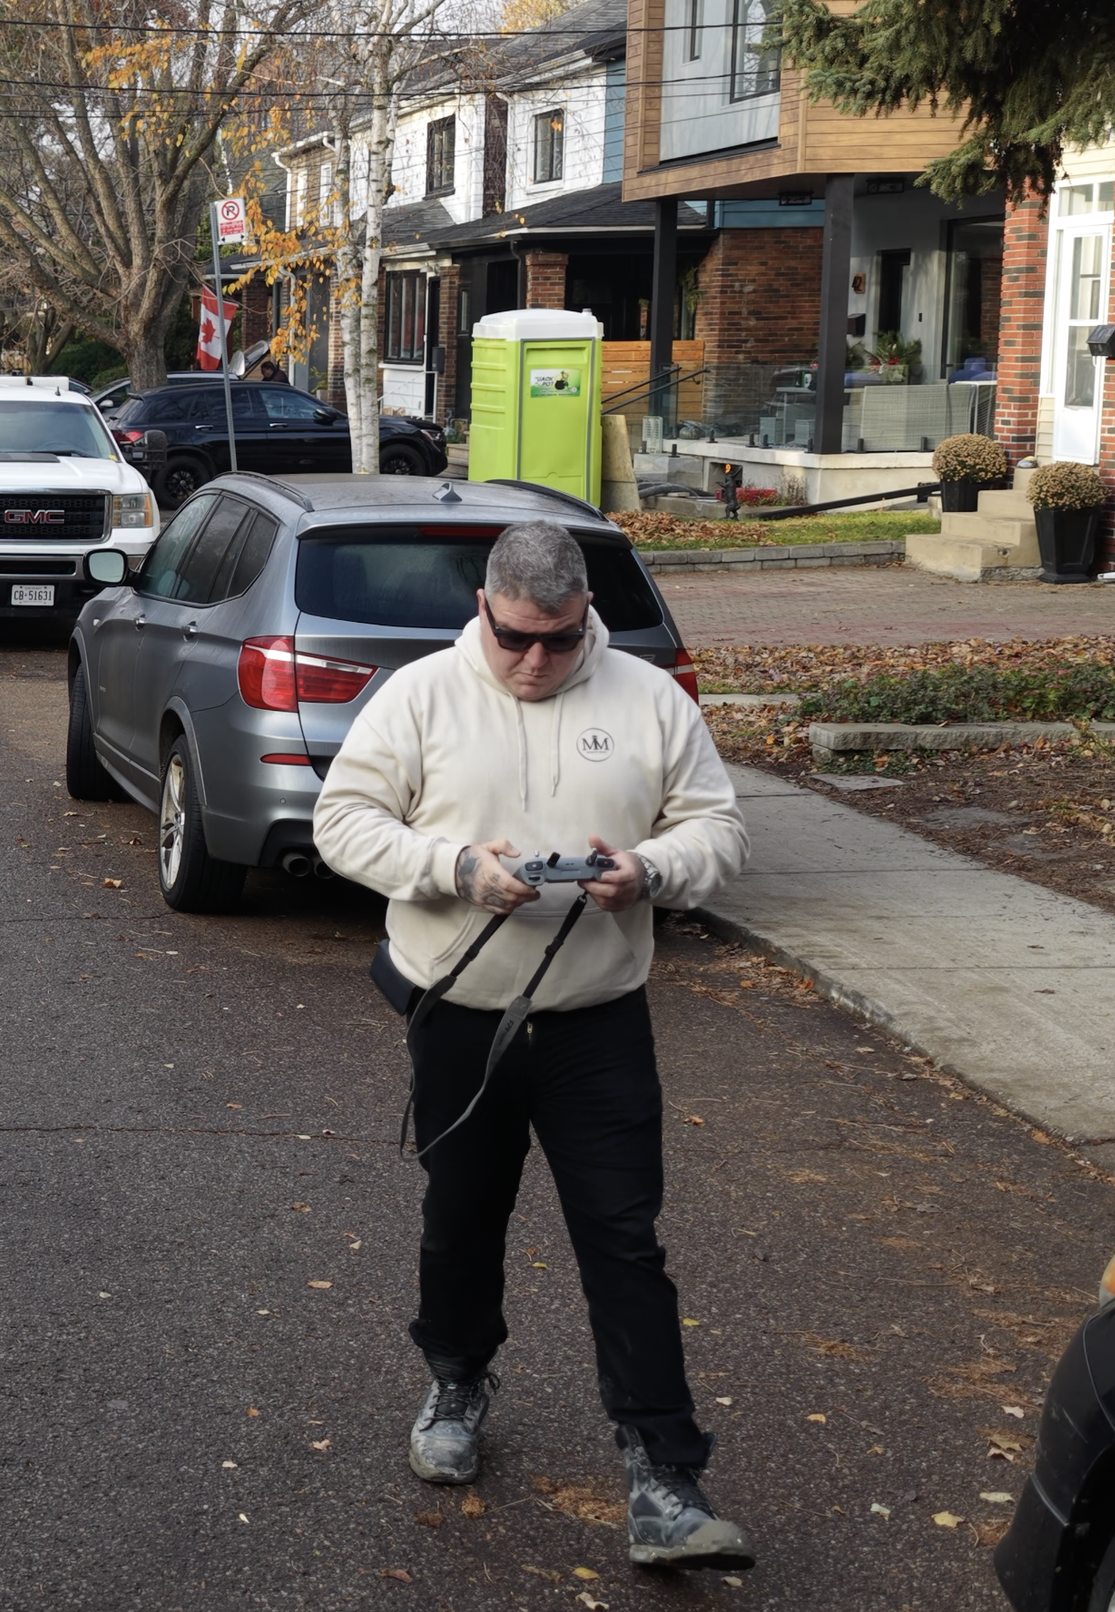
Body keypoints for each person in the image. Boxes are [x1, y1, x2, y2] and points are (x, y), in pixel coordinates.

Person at [311, 519, 754, 1573]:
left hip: (597, 1018)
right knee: (461, 1218)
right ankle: (456, 1379)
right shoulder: (422, 694)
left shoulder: (649, 699)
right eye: (516, 638)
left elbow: (721, 829)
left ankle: (664, 1475)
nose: (536, 662)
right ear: (483, 608)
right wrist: (454, 868)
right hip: (459, 1015)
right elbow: (343, 820)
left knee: (624, 1236)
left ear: (584, 615)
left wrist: (647, 870)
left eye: (559, 640)